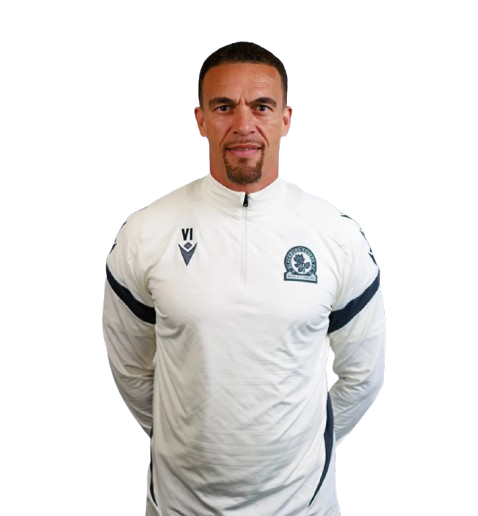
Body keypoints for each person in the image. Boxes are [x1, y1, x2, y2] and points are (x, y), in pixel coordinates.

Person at [102, 41, 385, 516]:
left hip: (304, 506)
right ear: (200, 121)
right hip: (177, 506)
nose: (243, 124)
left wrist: (302, 448)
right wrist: (180, 439)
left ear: (286, 120)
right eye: (224, 107)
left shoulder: (337, 235)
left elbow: (363, 375)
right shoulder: (146, 231)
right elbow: (130, 369)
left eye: (261, 106)